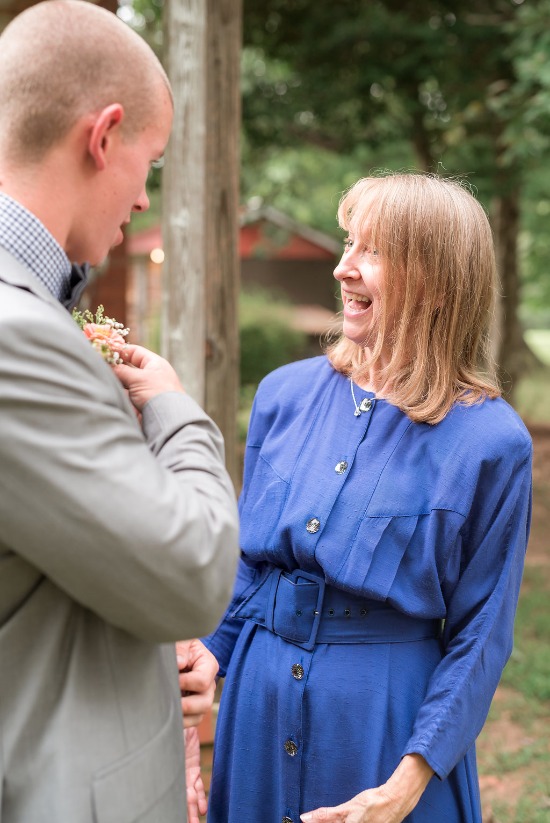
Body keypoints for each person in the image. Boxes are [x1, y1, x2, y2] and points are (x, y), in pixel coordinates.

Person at [193, 172, 532, 823]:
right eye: (349, 243)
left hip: (384, 736)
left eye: (371, 251)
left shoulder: (492, 442)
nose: (344, 268)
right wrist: (210, 654)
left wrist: (405, 784)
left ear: (436, 280)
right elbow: (249, 563)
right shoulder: (283, 395)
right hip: (256, 717)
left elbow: (480, 640)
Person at [0, 2, 239, 822]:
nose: (144, 198)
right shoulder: (15, 336)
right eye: (153, 161)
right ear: (103, 137)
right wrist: (176, 412)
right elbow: (192, 571)